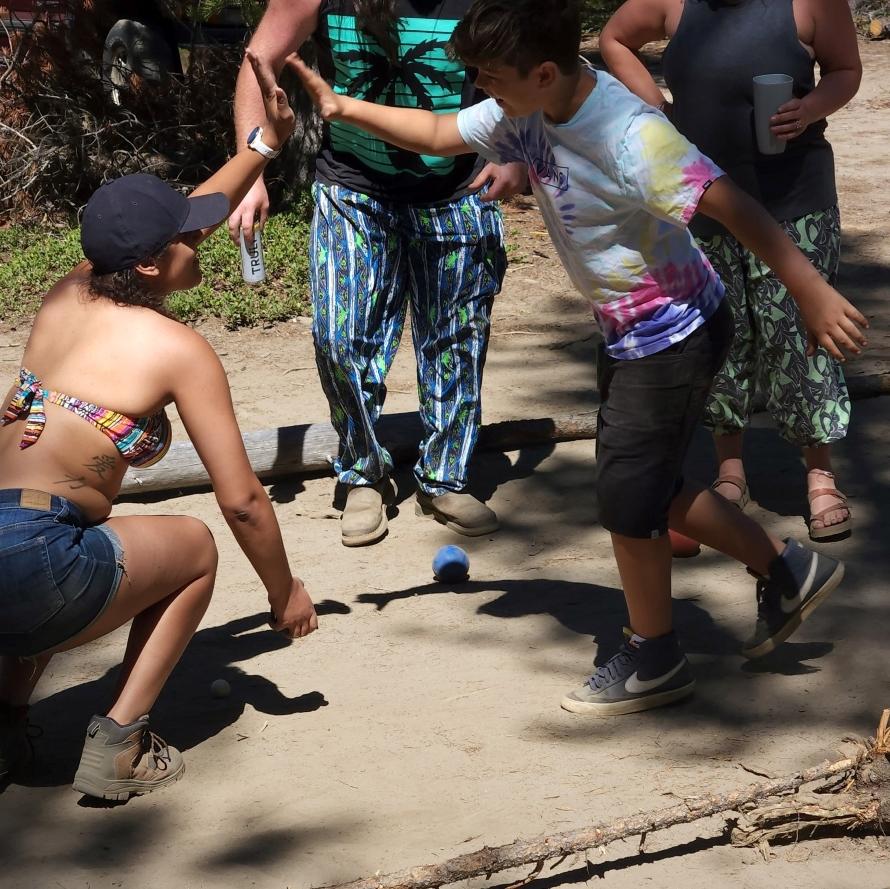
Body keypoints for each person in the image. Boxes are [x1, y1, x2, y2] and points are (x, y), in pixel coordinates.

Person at [285, 0, 869, 715]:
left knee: (628, 496)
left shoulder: (628, 134)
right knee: (644, 485)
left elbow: (731, 204)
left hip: (674, 331)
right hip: (631, 330)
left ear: (544, 71)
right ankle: (785, 570)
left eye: (490, 77)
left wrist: (809, 290)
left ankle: (655, 654)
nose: (480, 89)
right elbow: (440, 133)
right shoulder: (526, 106)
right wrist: (342, 107)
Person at [0, 52, 317, 799]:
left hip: (10, 540)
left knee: (53, 547)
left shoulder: (67, 294)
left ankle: (4, 725)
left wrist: (262, 147)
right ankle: (121, 741)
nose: (202, 235)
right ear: (147, 266)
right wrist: (283, 592)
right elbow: (240, 501)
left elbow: (191, 212)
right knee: (197, 548)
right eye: (187, 237)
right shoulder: (179, 351)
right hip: (36, 563)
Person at [229, 0, 527, 548]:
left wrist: (515, 150)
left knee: (456, 341)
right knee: (340, 339)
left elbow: (530, 65)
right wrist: (251, 169)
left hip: (458, 189)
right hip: (353, 187)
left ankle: (445, 478)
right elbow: (260, 59)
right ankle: (363, 472)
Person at [601, 0, 862, 541]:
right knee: (724, 336)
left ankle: (819, 474)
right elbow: (614, 40)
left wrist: (810, 108)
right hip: (701, 203)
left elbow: (846, 69)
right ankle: (730, 469)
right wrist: (655, 108)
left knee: (800, 336)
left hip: (794, 200)